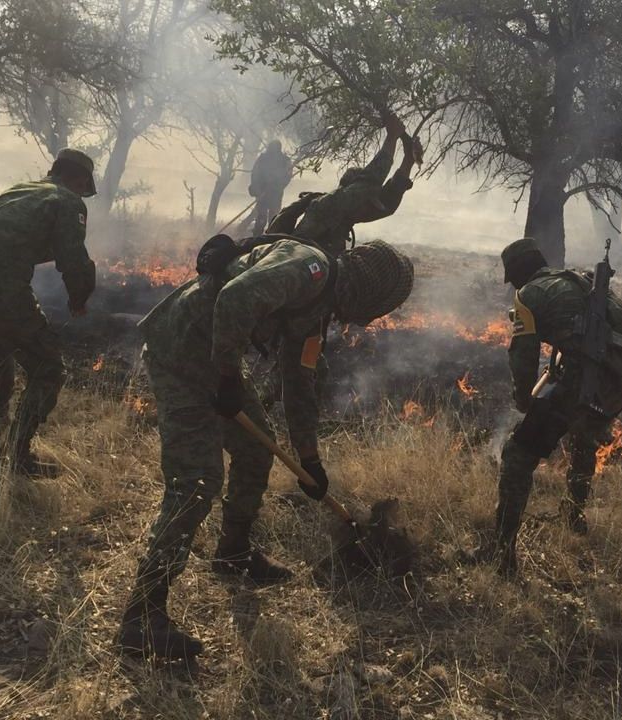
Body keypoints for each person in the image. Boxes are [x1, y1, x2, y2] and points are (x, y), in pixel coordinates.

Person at [118, 235, 414, 661]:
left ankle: (233, 552)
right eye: (377, 309)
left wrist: (309, 460)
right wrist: (225, 379)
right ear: (369, 291)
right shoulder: (308, 268)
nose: (367, 321)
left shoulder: (318, 308)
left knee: (257, 452)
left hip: (215, 360)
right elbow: (234, 299)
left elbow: (299, 383)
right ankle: (141, 616)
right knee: (196, 481)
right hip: (180, 350)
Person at [480, 237, 622, 577]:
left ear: (518, 274)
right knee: (582, 435)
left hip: (584, 378)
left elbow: (523, 356)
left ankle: (501, 554)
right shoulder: (578, 280)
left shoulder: (529, 295)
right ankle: (574, 515)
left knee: (517, 457)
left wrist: (524, 400)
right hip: (620, 381)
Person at [0, 148, 97, 477]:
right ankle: (17, 457)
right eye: (83, 184)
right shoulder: (69, 201)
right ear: (80, 179)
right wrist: (80, 295)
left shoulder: (19, 189)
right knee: (47, 369)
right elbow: (72, 260)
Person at [273, 116, 418, 256]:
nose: (367, 209)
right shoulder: (328, 204)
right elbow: (368, 183)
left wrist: (408, 160)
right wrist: (391, 137)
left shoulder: (346, 215)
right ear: (351, 193)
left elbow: (387, 203)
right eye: (366, 202)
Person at [245, 140, 293, 236]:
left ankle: (270, 237)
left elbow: (288, 176)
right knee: (262, 217)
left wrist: (278, 186)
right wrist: (257, 190)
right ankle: (257, 237)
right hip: (263, 192)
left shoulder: (285, 161)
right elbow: (255, 174)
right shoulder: (263, 159)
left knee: (273, 218)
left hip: (276, 193)